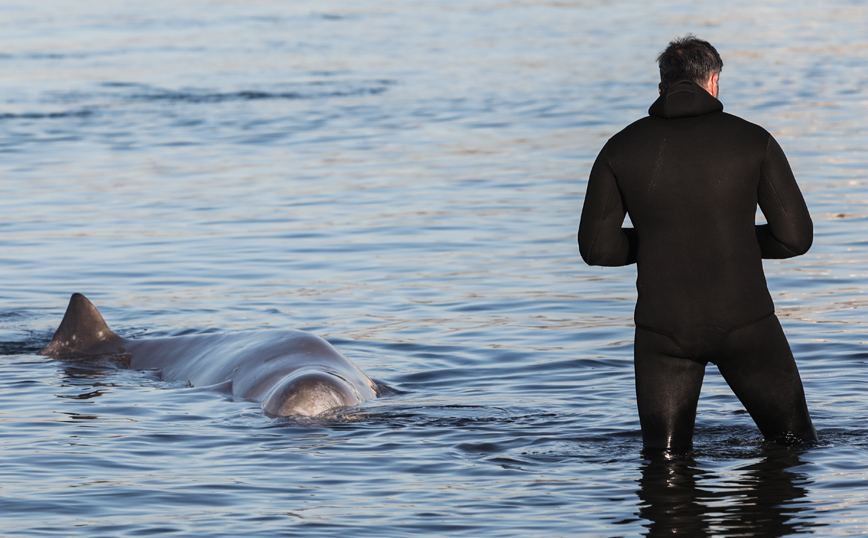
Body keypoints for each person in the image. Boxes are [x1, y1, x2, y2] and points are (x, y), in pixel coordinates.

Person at [578, 35, 818, 452]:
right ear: (714, 81)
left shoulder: (619, 149)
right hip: (747, 324)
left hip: (662, 331)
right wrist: (730, 239)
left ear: (660, 87)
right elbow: (795, 238)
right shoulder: (753, 140)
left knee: (664, 462)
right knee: (794, 447)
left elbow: (596, 249)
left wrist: (660, 243)